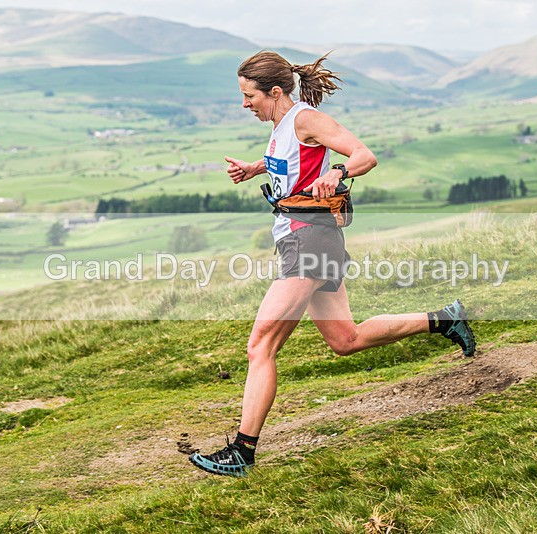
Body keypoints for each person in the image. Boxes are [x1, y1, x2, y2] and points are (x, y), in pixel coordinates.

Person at [189, 51, 475, 477]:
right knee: (346, 339)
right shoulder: (282, 126)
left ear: (274, 92)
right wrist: (255, 168)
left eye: (248, 96)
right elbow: (293, 163)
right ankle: (444, 319)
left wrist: (339, 172)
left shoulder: (306, 119)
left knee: (260, 346)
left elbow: (364, 154)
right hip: (308, 240)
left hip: (310, 241)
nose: (244, 104)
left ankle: (242, 453)